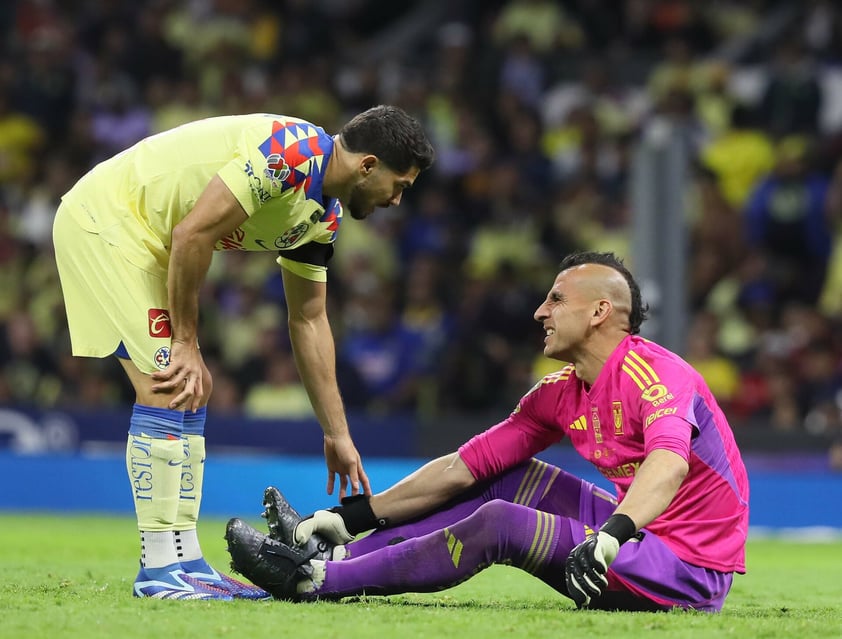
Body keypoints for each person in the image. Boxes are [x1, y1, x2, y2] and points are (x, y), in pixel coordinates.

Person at [52, 105, 435, 600]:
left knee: (192, 388)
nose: (398, 200)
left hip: (149, 239)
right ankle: (157, 569)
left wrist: (336, 432)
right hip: (108, 221)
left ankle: (185, 559)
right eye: (399, 185)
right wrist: (186, 344)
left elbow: (309, 320)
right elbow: (194, 233)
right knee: (169, 382)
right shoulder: (290, 155)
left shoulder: (323, 216)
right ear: (367, 166)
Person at [224, 251, 750, 612]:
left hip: (685, 568)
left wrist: (611, 537)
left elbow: (669, 463)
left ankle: (314, 580)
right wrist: (349, 516)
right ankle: (334, 554)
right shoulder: (560, 392)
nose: (540, 311)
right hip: (632, 536)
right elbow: (463, 469)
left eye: (556, 300)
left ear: (600, 312)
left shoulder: (657, 375)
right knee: (505, 479)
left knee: (500, 522)